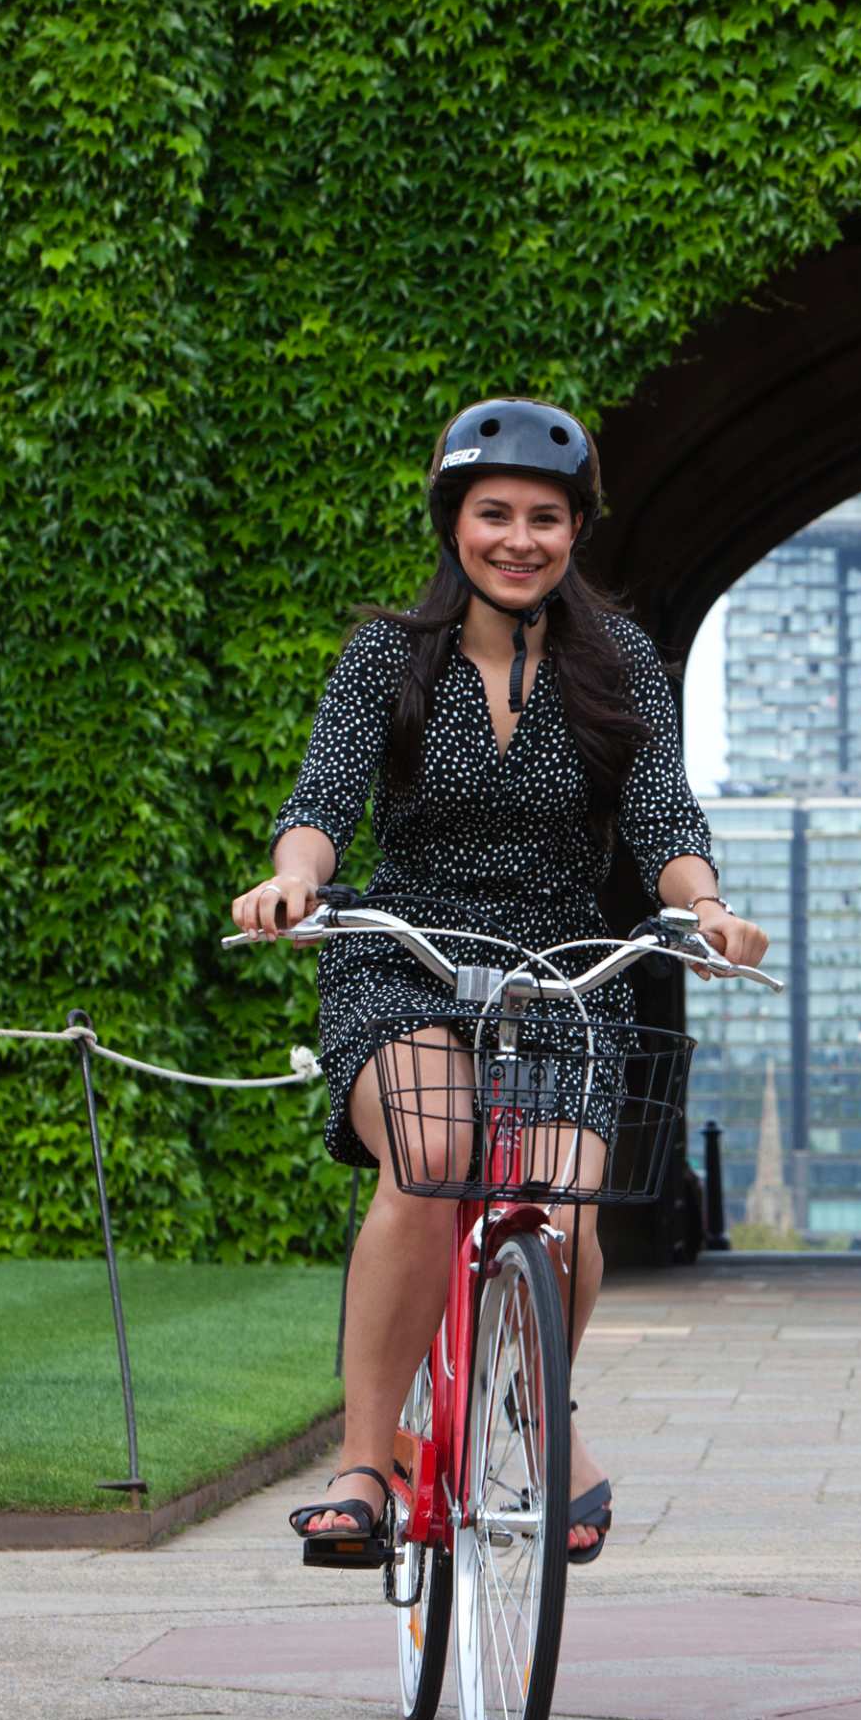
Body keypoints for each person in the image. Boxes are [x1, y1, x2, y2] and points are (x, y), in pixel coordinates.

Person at [231, 398, 769, 1569]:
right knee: (432, 1161)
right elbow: (322, 804)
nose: (518, 539)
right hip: (408, 956)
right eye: (494, 515)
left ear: (575, 531)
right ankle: (366, 1465)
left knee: (563, 1220)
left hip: (564, 968)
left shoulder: (617, 660)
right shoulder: (390, 656)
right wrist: (291, 884)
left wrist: (708, 907)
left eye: (545, 518)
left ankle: (541, 1412)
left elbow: (662, 813)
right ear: (453, 524)